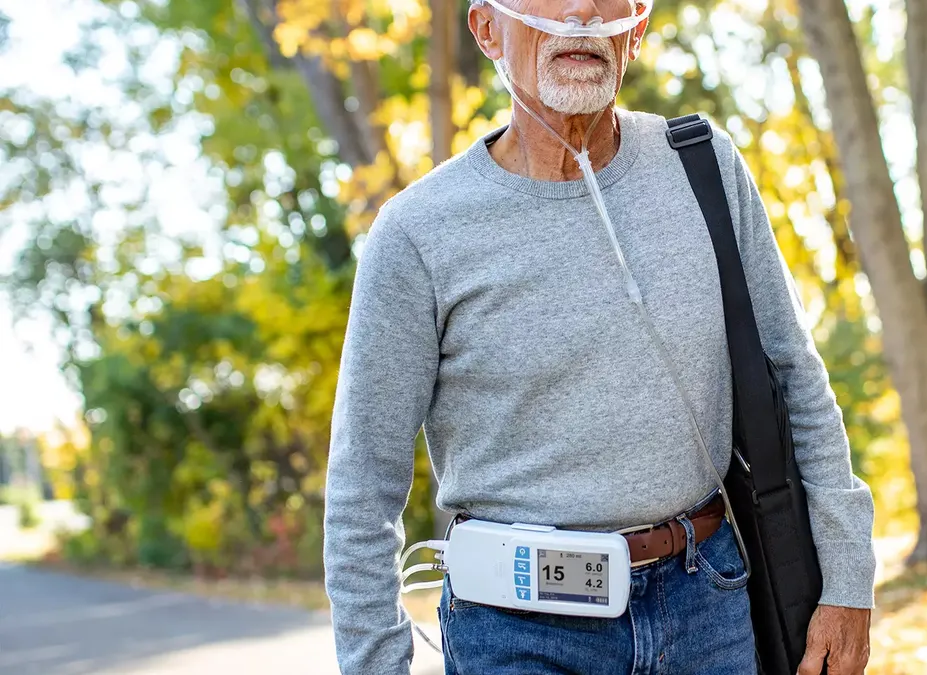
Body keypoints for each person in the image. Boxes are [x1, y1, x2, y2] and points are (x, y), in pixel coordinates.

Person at [322, 1, 876, 673]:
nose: (580, 10)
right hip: (515, 632)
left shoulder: (704, 168)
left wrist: (848, 580)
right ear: (487, 28)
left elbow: (795, 375)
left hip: (708, 602)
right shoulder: (417, 232)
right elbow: (362, 483)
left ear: (635, 31)